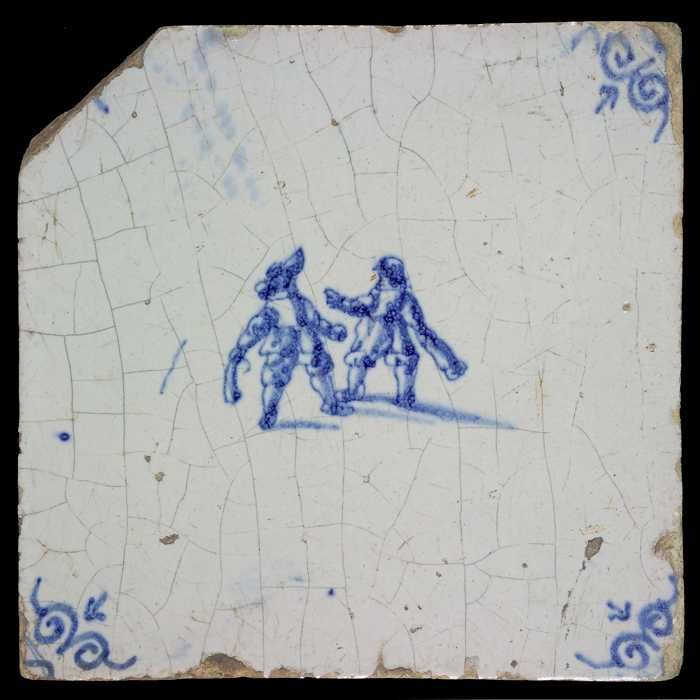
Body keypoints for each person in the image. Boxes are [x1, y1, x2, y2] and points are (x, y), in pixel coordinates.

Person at [224, 248, 353, 430]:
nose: (292, 280)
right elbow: (255, 329)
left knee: (322, 370)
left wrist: (332, 331)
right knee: (275, 379)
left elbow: (316, 321)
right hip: (282, 347)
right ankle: (269, 412)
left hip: (309, 345)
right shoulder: (273, 308)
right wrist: (242, 347)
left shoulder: (302, 302)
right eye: (289, 276)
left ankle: (330, 404)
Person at [324, 255, 468, 408]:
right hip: (377, 335)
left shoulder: (398, 298)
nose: (378, 278)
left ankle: (395, 395)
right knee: (377, 361)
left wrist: (340, 302)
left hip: (385, 336)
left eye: (381, 275)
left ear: (388, 276)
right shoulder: (388, 295)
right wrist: (340, 302)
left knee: (392, 362)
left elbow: (419, 329)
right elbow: (360, 306)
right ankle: (361, 392)